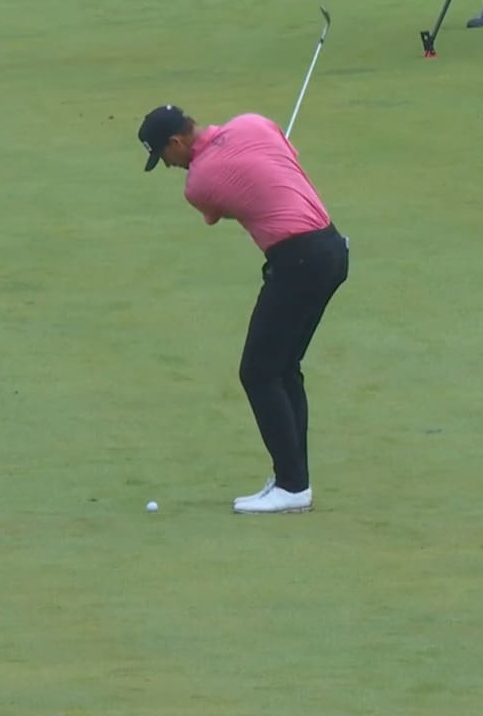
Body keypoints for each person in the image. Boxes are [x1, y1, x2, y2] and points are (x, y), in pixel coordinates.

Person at [137, 105, 349, 514]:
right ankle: (293, 481)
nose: (167, 166)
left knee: (258, 371)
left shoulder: (198, 183)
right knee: (283, 368)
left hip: (299, 262)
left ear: (177, 143)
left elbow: (215, 213)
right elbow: (286, 153)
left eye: (163, 157)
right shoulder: (251, 123)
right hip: (331, 250)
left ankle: (291, 485)